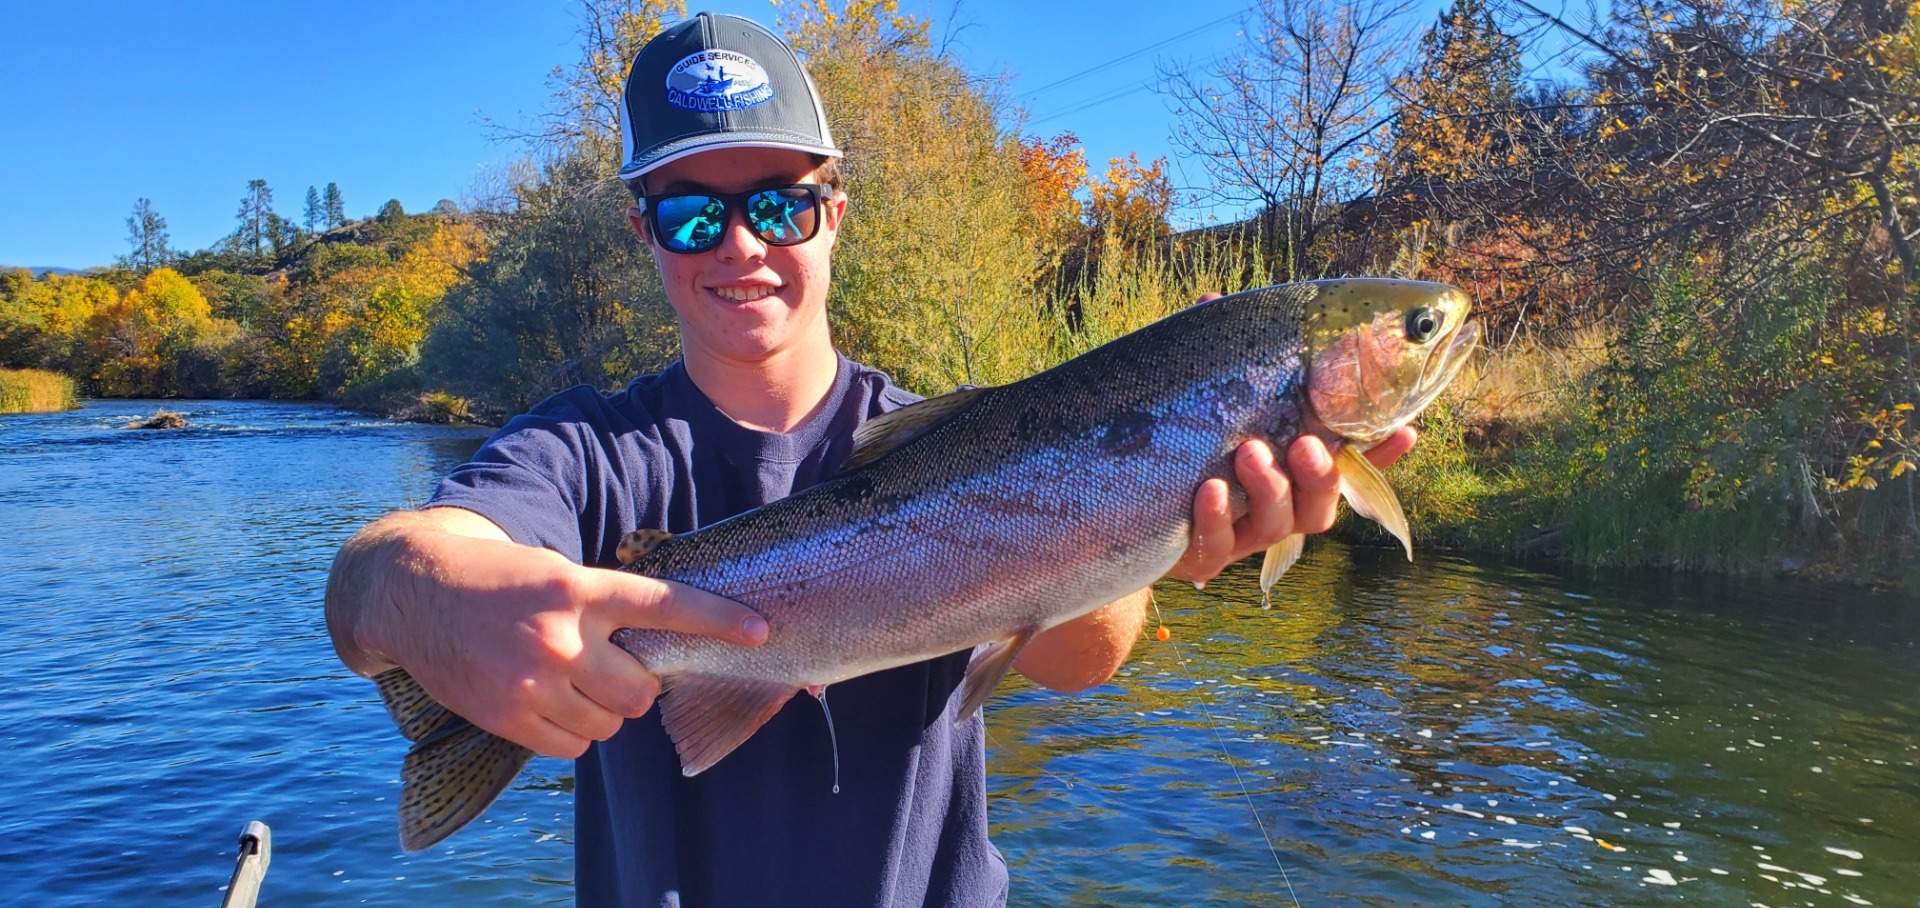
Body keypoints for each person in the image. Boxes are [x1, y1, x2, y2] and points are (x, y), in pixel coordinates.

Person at [324, 11, 1415, 907]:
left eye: (780, 204)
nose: (745, 243)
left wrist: (1158, 523)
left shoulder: (950, 435)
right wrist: (434, 599)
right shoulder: (584, 453)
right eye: (695, 216)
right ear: (643, 235)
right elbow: (366, 590)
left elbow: (1081, 661)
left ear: (834, 213)